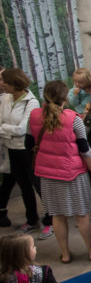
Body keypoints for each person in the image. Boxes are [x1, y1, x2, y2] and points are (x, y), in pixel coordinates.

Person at [28, 81, 91, 263]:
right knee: (82, 214)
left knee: (57, 215)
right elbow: (85, 150)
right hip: (74, 174)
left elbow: (29, 144)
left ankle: (65, 254)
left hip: (47, 174)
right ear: (65, 97)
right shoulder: (73, 118)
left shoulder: (34, 116)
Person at [0, 68, 43, 233]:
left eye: (4, 81)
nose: (2, 84)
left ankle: (52, 218)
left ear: (14, 84)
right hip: (11, 149)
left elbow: (21, 129)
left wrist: (3, 128)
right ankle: (32, 220)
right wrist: (7, 128)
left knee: (37, 185)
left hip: (27, 149)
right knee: (24, 187)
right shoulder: (5, 99)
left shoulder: (32, 102)